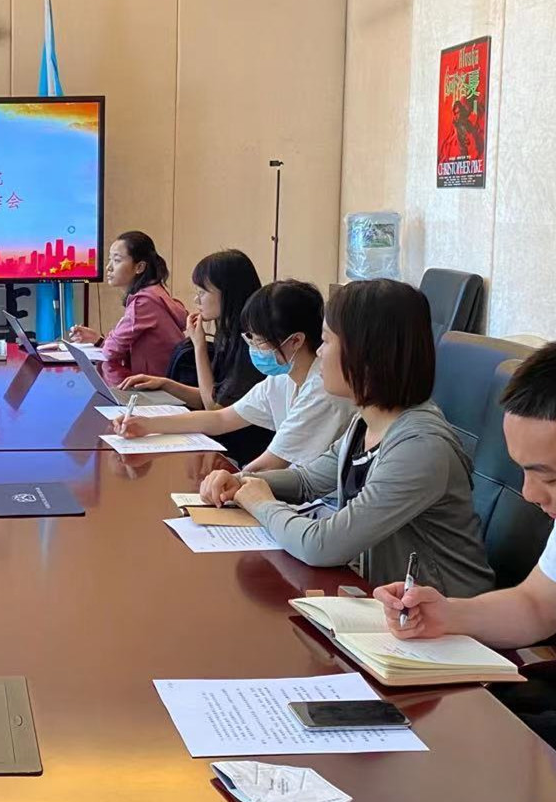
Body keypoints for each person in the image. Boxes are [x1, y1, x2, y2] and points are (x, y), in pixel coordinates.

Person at [374, 335, 556, 802]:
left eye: (547, 476)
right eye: (523, 471)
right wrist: (446, 614)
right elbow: (536, 605)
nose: (530, 494)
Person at [201, 278, 494, 596]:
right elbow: (307, 481)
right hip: (389, 600)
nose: (319, 352)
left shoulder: (420, 447)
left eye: (326, 341)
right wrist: (241, 482)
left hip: (444, 614)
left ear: (366, 354)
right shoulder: (366, 423)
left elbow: (320, 545)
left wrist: (260, 502)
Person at [112, 280, 356, 471]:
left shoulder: (322, 390)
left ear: (295, 341)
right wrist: (147, 425)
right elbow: (220, 418)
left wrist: (231, 482)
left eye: (258, 340)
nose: (253, 347)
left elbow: (273, 462)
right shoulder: (282, 378)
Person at [119, 248, 270, 462]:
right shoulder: (228, 334)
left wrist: (199, 346)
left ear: (227, 294)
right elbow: (213, 395)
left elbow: (213, 406)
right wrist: (165, 384)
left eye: (203, 292)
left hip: (239, 453)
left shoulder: (250, 344)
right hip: (220, 442)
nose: (197, 300)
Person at [61, 231, 186, 384]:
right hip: (159, 383)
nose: (108, 267)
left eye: (117, 260)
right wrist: (98, 340)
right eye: (109, 260)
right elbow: (115, 347)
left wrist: (104, 343)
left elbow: (110, 351)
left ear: (139, 267)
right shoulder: (155, 293)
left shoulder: (144, 302)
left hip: (155, 389)